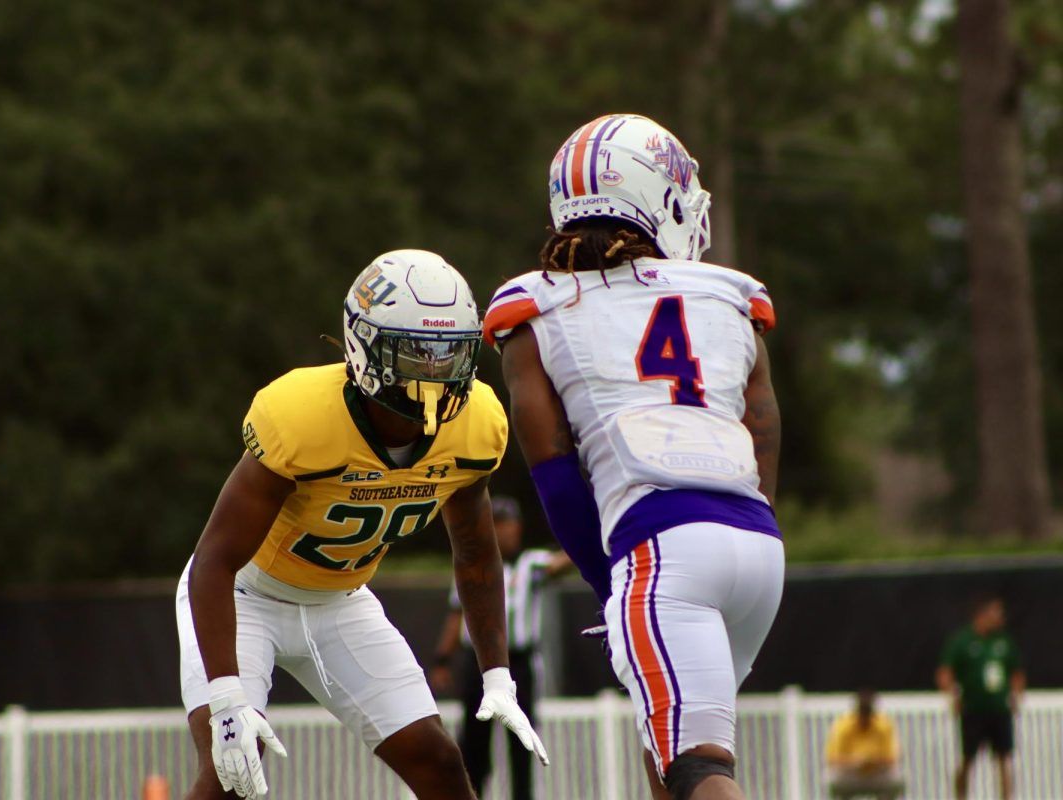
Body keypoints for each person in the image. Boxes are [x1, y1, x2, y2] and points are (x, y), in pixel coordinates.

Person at [484, 113, 784, 800]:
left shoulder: (535, 311)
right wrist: (760, 529)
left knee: (698, 768)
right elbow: (762, 426)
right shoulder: (732, 299)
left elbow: (555, 476)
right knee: (670, 748)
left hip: (662, 548)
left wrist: (608, 580)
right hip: (757, 544)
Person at [175, 250, 548, 800]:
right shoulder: (302, 415)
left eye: (449, 355)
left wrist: (497, 674)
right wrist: (228, 700)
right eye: (416, 353)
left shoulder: (476, 423)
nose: (434, 373)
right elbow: (215, 558)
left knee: (440, 761)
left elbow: (475, 552)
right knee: (234, 773)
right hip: (244, 596)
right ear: (364, 344)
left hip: (342, 601)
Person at [429, 496, 572, 800]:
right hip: (477, 665)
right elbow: (456, 616)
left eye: (510, 524)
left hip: (519, 663)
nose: (506, 532)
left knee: (522, 743)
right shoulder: (471, 563)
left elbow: (561, 564)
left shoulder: (530, 564)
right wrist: (442, 660)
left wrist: (584, 533)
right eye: (499, 525)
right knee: (474, 744)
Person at [936, 595, 1025, 800]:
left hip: (999, 709)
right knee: (968, 759)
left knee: (1003, 758)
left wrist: (1016, 696)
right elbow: (945, 672)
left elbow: (1016, 672)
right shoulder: (963, 641)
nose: (999, 617)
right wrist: (953, 695)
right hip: (973, 709)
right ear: (982, 615)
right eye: (995, 613)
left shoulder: (1003, 641)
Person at [824, 689, 904, 800]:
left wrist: (873, 762)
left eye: (868, 714)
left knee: (895, 778)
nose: (864, 719)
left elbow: (892, 758)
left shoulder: (883, 726)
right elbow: (832, 759)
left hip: (877, 774)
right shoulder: (843, 726)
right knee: (833, 778)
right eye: (862, 714)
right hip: (850, 774)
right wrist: (855, 762)